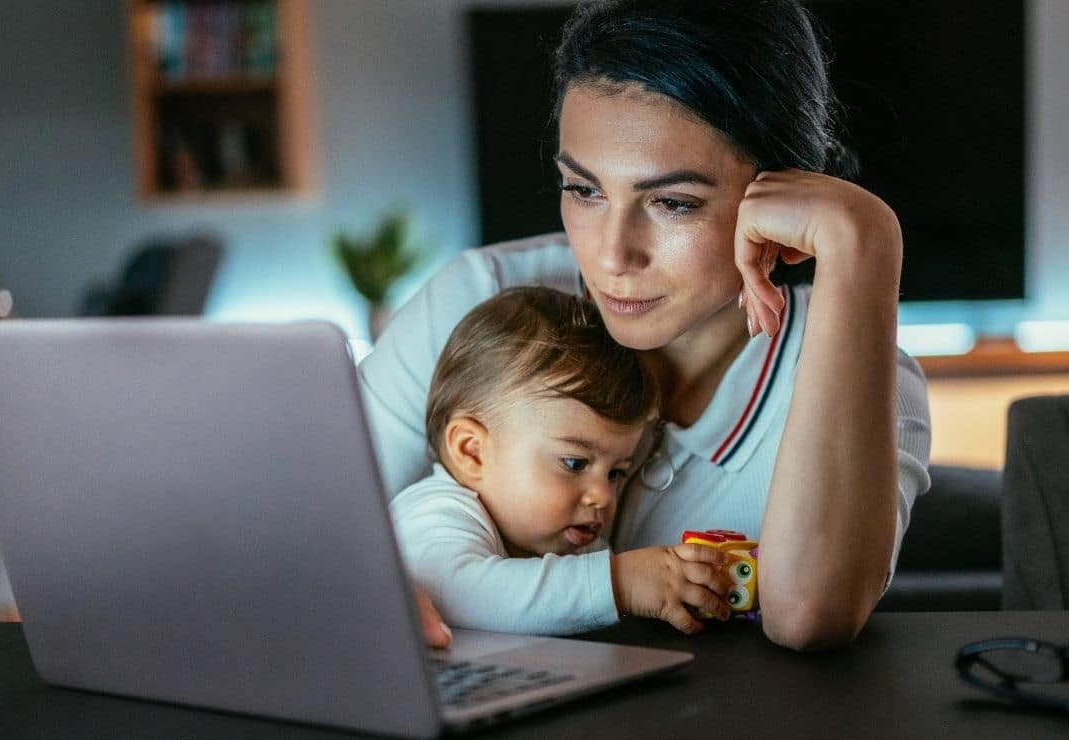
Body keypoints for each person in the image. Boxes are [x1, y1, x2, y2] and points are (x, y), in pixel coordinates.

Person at [360, 0, 931, 650]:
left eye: (672, 202)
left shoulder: (874, 381)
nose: (611, 256)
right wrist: (360, 575)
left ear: (783, 203)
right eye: (584, 190)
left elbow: (808, 616)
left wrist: (864, 243)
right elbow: (299, 526)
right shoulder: (478, 299)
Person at [390, 286, 732, 635]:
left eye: (615, 473)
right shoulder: (434, 513)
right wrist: (621, 583)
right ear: (471, 452)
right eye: (575, 464)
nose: (603, 496)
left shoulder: (563, 545)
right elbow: (457, 593)